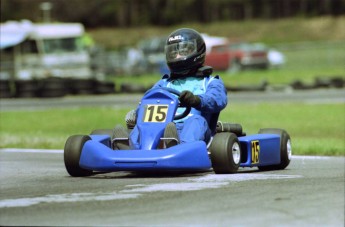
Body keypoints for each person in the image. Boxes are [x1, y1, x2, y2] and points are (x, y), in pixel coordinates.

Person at [123, 28, 228, 149]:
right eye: (173, 53)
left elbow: (217, 100)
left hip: (197, 133)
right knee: (143, 125)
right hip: (162, 129)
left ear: (198, 52)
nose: (177, 56)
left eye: (183, 52)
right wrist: (137, 113)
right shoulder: (164, 83)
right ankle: (131, 148)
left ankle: (182, 147)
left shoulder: (210, 82)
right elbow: (149, 101)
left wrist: (196, 100)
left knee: (195, 120)